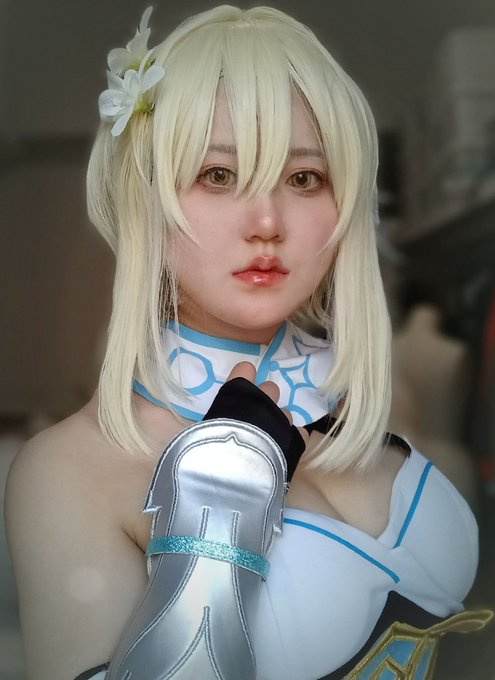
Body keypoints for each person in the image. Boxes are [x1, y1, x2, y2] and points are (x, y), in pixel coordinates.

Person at [5, 6, 491, 680]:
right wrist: (213, 529)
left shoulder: (371, 407)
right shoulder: (67, 471)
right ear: (147, 199)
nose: (266, 221)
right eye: (218, 174)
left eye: (303, 178)